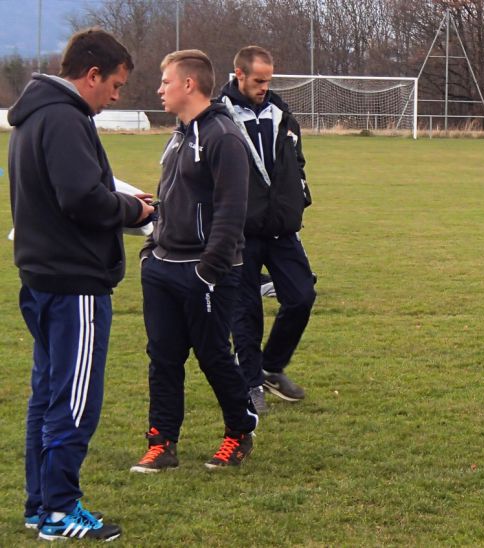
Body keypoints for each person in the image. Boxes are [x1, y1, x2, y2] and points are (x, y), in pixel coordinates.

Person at [8, 28, 153, 541]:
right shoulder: (65, 118)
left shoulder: (33, 115)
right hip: (74, 283)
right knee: (74, 400)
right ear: (92, 75)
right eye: (115, 85)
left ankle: (40, 505)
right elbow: (81, 198)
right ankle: (60, 510)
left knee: (48, 395)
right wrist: (133, 209)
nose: (115, 96)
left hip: (42, 276)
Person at [130, 49, 258, 473]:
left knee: (213, 355)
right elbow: (175, 197)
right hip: (162, 266)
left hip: (206, 271)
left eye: (165, 81)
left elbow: (231, 213)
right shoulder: (179, 135)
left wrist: (208, 271)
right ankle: (162, 442)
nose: (159, 89)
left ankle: (240, 430)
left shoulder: (224, 137)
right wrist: (151, 247)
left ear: (188, 84)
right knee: (163, 357)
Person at [218, 46, 316, 414]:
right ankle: (250, 383)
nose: (264, 87)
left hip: (281, 228)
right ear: (239, 75)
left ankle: (271, 367)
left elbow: (296, 161)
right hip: (240, 232)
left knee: (302, 296)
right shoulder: (220, 116)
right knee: (246, 311)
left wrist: (297, 199)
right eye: (258, 80)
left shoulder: (282, 114)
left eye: (269, 80)